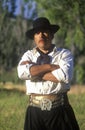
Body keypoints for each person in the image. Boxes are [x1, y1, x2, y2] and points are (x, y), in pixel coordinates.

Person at [17, 17, 80, 130]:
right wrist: (49, 67)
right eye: (37, 33)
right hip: (34, 112)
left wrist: (33, 70)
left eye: (44, 31)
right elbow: (22, 73)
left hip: (60, 110)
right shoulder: (28, 55)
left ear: (52, 35)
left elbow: (65, 76)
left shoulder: (64, 54)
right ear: (34, 37)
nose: (41, 35)